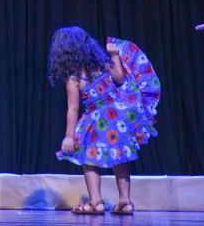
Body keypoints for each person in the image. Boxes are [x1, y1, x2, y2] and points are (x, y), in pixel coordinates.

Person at [48, 27, 159, 215]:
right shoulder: (101, 64)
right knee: (120, 156)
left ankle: (96, 202)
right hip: (118, 111)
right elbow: (120, 78)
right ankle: (125, 201)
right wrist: (115, 55)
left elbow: (73, 109)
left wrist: (69, 137)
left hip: (98, 118)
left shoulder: (74, 77)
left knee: (89, 159)